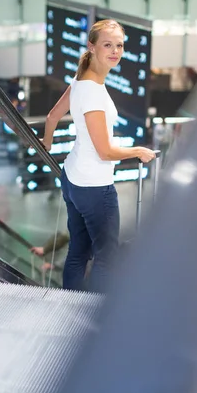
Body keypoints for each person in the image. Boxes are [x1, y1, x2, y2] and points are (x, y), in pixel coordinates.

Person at [42, 19, 156, 293]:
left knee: (79, 251)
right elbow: (105, 151)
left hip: (72, 179)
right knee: (107, 257)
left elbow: (52, 117)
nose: (115, 51)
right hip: (94, 187)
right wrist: (138, 151)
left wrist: (46, 146)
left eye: (119, 45)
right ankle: (93, 317)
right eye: (108, 45)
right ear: (91, 46)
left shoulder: (81, 79)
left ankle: (67, 304)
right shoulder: (92, 91)